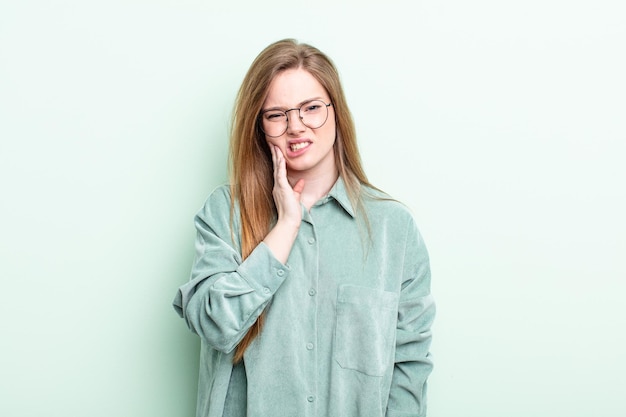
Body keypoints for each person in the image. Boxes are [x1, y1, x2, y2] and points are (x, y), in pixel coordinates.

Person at [173, 38, 435, 417]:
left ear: (336, 112)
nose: (296, 126)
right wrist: (286, 227)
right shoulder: (225, 213)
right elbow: (215, 325)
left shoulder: (395, 229)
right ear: (260, 127)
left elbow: (408, 365)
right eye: (276, 114)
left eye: (311, 108)